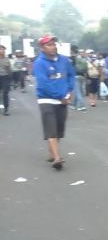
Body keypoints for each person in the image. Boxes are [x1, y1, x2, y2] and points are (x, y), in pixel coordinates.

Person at [32, 35, 76, 169]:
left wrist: (68, 92)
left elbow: (71, 75)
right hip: (46, 99)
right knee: (51, 129)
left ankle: (52, 153)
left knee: (59, 129)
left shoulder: (64, 60)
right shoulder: (39, 63)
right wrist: (59, 96)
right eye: (49, 45)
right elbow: (44, 83)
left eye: (53, 44)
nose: (52, 47)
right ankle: (57, 158)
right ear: (42, 47)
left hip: (62, 99)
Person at [0, 45, 11, 116]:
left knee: (5, 93)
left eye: (3, 49)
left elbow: (9, 69)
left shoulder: (7, 59)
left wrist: (10, 79)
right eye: (1, 49)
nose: (2, 51)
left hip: (5, 77)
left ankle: (6, 109)